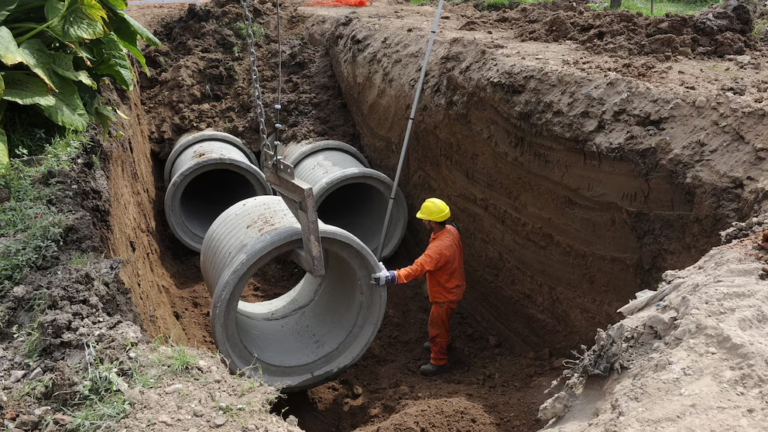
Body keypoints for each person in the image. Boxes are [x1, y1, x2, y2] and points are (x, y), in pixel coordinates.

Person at [371, 198, 466, 376]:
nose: (422, 222)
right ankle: (444, 342)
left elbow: (417, 269)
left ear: (432, 222)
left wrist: (392, 276)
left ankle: (439, 361)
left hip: (444, 294)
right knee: (442, 322)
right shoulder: (451, 231)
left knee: (436, 327)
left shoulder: (437, 249)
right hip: (454, 285)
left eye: (425, 219)